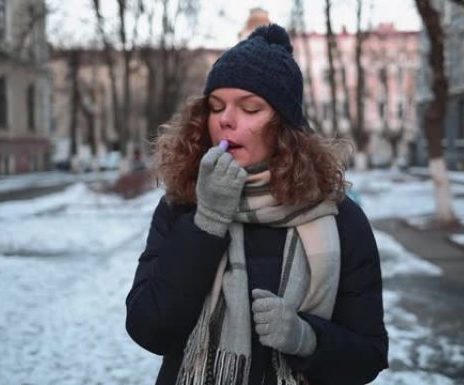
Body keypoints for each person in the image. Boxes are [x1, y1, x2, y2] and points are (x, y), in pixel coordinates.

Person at [125, 24, 388, 385]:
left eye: (250, 108)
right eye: (215, 107)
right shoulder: (182, 204)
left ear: (284, 126)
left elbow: (368, 356)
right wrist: (207, 221)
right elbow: (148, 329)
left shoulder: (340, 218)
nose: (225, 119)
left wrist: (306, 339)